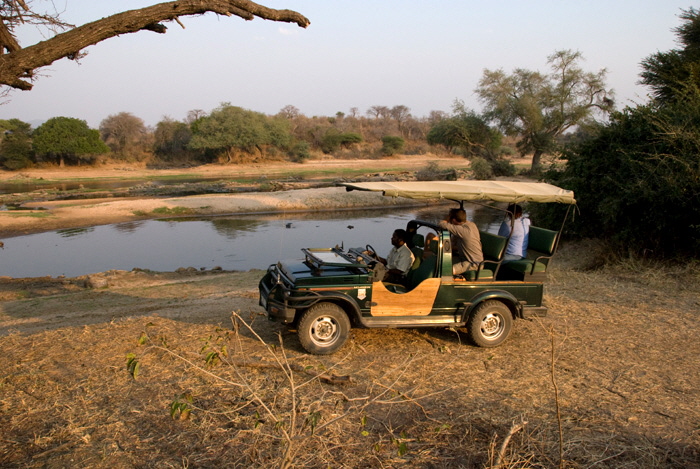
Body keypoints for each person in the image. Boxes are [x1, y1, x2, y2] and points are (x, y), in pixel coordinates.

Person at [438, 208, 483, 275]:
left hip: (473, 263)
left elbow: (441, 224)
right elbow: (454, 242)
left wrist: (446, 219)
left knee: (446, 271)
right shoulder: (471, 225)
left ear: (453, 220)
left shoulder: (462, 230)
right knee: (441, 262)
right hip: (464, 258)